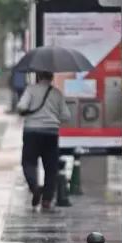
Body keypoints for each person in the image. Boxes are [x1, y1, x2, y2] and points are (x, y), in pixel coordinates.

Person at [17, 71, 71, 210]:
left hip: (31, 132)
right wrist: (53, 117)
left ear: (39, 77)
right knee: (50, 167)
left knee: (28, 162)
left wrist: (28, 112)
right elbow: (66, 115)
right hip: (51, 133)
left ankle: (34, 186)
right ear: (51, 78)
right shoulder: (57, 93)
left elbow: (21, 107)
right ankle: (47, 199)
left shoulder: (30, 89)